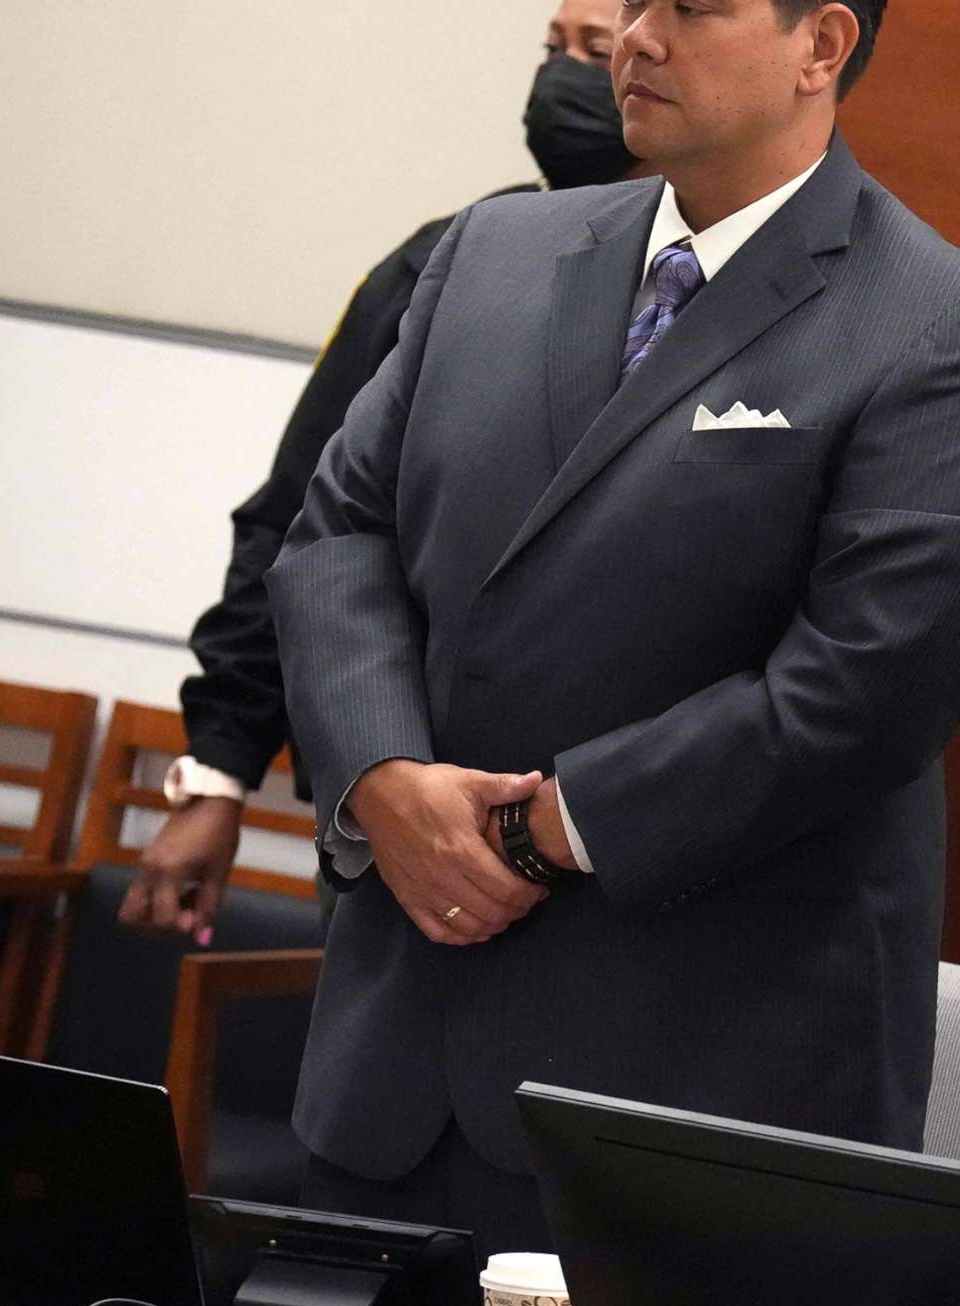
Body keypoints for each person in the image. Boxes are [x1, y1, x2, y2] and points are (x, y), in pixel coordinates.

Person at [266, 0, 960, 1254]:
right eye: (631, 5)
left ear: (821, 45)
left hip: (688, 1114)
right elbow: (339, 534)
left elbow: (870, 686)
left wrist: (542, 829)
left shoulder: (940, 323)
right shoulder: (492, 251)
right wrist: (384, 779)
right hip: (394, 1080)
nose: (635, 37)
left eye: (689, 8)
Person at [124, 0, 646, 941]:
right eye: (551, 49)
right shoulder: (448, 260)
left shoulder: (732, 287)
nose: (563, 79)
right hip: (397, 811)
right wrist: (219, 771)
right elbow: (302, 524)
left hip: (615, 837)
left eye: (593, 52)